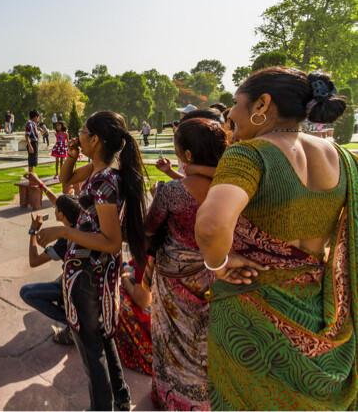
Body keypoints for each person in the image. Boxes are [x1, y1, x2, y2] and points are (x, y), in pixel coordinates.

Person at [195, 67, 357, 410]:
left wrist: (219, 265)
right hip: (319, 315)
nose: (230, 116)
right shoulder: (344, 159)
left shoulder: (249, 154)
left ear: (262, 104)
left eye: (236, 104)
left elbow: (211, 227)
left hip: (251, 316)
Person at [36, 111, 147, 411]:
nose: (79, 135)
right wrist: (71, 156)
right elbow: (66, 180)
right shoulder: (102, 171)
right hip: (94, 270)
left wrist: (62, 230)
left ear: (96, 139)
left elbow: (111, 241)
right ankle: (121, 396)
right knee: (102, 334)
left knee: (90, 346)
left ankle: (102, 407)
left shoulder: (104, 182)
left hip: (88, 273)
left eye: (83, 132)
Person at [145, 118, 230, 410]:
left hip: (173, 280)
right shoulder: (232, 186)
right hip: (216, 275)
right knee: (204, 342)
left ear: (188, 156)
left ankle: (171, 398)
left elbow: (149, 227)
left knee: (171, 342)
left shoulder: (171, 192)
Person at [20, 174, 81, 345]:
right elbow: (60, 203)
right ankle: (72, 312)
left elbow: (35, 261)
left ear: (61, 215)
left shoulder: (64, 243)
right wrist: (41, 184)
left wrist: (32, 232)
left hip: (74, 285)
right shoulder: (83, 222)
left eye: (56, 209)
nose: (54, 207)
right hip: (86, 282)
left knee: (27, 293)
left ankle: (72, 323)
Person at [114, 257, 153, 377]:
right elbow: (132, 264)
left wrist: (124, 278)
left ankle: (142, 350)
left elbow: (143, 302)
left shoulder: (145, 254)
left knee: (117, 300)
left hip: (156, 310)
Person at [25, 110, 40, 175]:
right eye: (38, 117)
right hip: (32, 144)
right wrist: (30, 146)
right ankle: (31, 175)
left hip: (34, 143)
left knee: (33, 161)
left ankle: (32, 174)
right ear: (35, 117)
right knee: (31, 161)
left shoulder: (33, 124)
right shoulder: (29, 124)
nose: (38, 119)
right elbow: (26, 135)